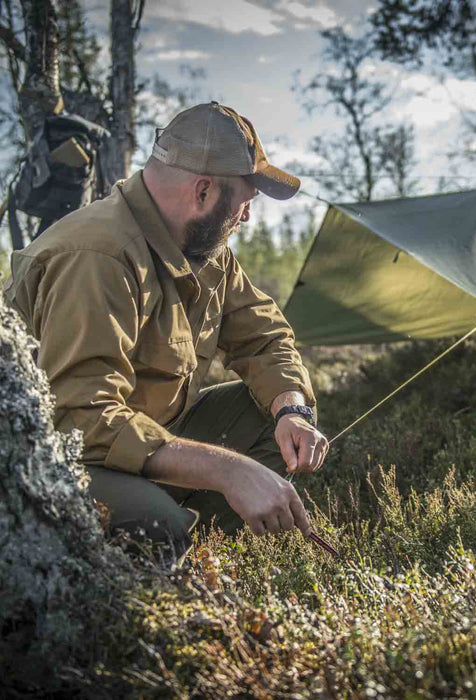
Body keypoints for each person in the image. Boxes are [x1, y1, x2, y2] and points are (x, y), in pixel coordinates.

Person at [3, 102, 329, 562]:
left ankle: (200, 559)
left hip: (140, 439)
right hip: (50, 458)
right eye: (244, 203)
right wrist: (227, 470)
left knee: (269, 419)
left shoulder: (204, 248)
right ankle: (154, 563)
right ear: (202, 192)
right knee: (157, 526)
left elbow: (265, 337)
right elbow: (79, 420)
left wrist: (292, 410)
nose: (247, 219)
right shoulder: (97, 257)